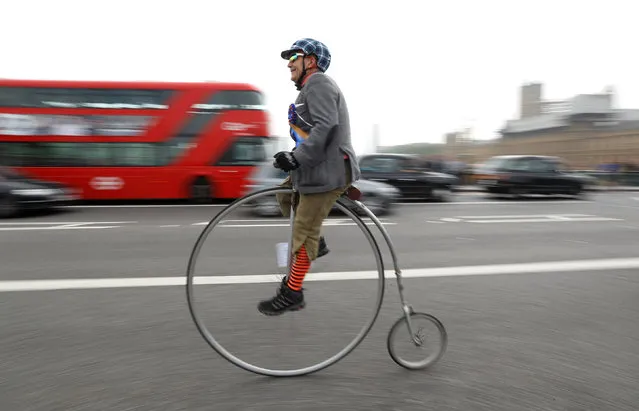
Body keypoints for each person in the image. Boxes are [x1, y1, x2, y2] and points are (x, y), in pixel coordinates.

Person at [257, 38, 361, 316]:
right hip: (314, 168)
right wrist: (293, 156)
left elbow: (326, 127)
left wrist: (297, 158)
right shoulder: (308, 90)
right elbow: (309, 133)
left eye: (294, 58)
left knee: (303, 229)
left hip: (329, 171)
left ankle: (292, 293)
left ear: (310, 61)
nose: (289, 63)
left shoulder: (319, 84)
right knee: (282, 194)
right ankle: (318, 241)